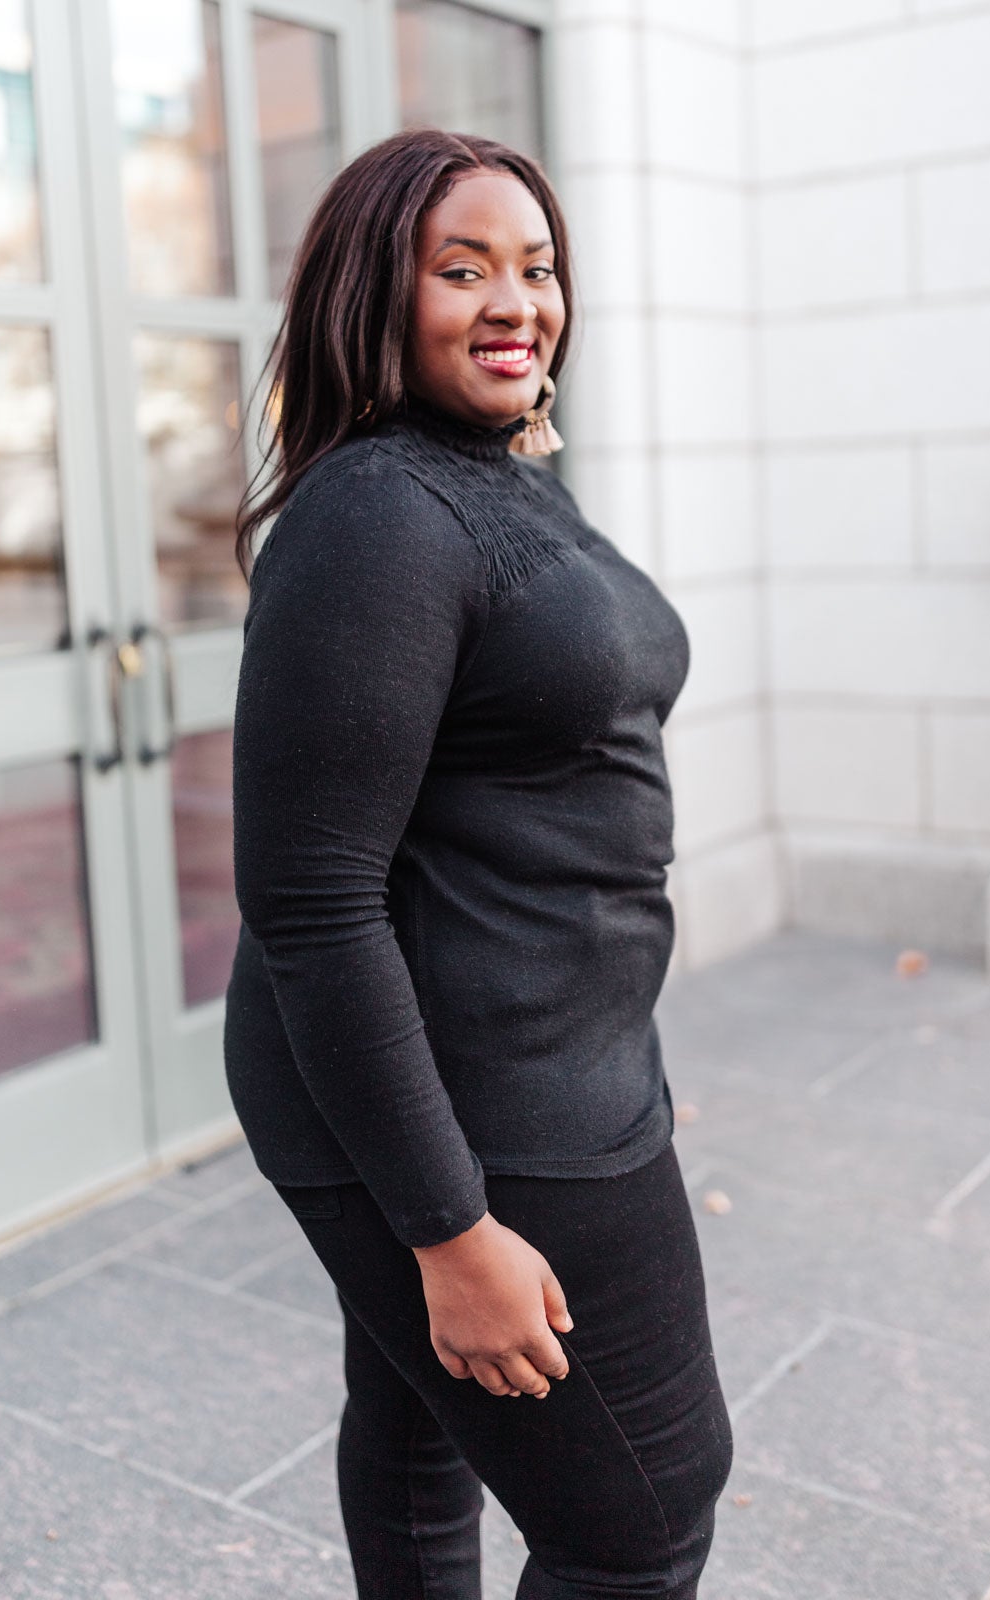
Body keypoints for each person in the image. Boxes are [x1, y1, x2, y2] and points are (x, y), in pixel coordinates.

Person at [223, 126, 733, 1599]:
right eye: (462, 271)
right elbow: (311, 904)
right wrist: (449, 1231)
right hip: (476, 1104)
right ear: (372, 299)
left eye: (538, 266)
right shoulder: (381, 512)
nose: (519, 302)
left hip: (552, 1051)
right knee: (640, 1524)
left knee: (419, 1418)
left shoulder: (492, 475)